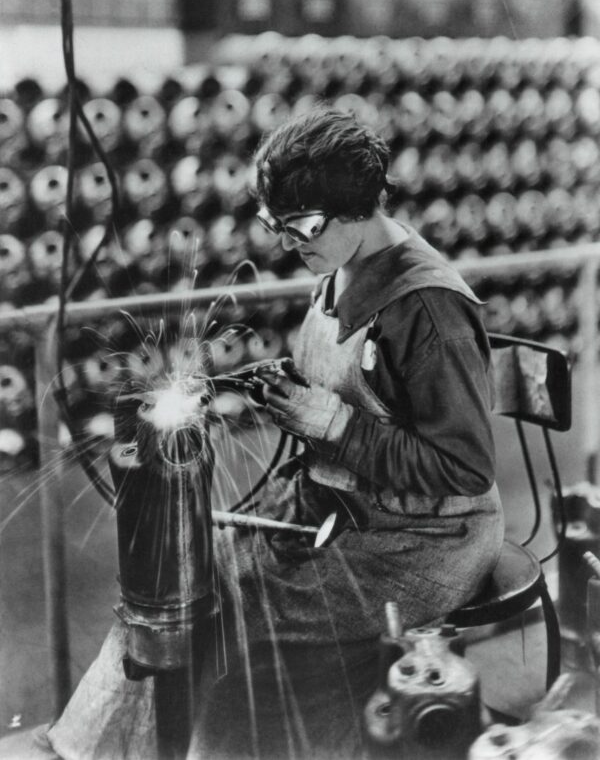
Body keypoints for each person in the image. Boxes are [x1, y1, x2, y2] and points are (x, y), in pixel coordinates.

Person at [8, 107, 503, 760]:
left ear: (359, 207)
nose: (287, 243)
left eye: (302, 227)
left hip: (420, 542)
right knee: (182, 570)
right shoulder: (341, 265)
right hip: (342, 507)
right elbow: (360, 387)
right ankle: (90, 750)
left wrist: (331, 423)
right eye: (277, 225)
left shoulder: (428, 308)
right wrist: (278, 387)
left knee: (229, 612)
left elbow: (463, 469)